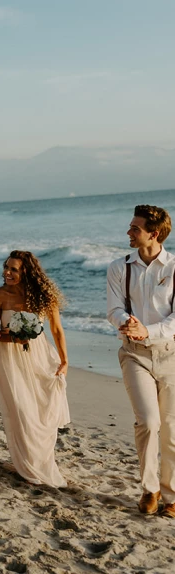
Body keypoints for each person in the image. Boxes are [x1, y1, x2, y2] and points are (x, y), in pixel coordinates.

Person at [107, 204, 175, 518]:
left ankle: (171, 495)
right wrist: (127, 322)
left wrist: (148, 329)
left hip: (171, 354)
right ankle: (150, 489)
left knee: (172, 429)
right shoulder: (119, 267)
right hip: (134, 355)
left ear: (155, 233)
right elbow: (114, 309)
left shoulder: (173, 267)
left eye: (135, 228)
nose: (128, 232)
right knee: (148, 422)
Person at [0, 251, 70, 487]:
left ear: (27, 272)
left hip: (40, 357)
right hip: (9, 359)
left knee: (41, 412)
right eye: (6, 267)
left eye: (14, 269)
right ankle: (27, 464)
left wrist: (65, 360)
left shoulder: (44, 296)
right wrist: (14, 337)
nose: (7, 273)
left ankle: (43, 461)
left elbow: (56, 330)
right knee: (21, 410)